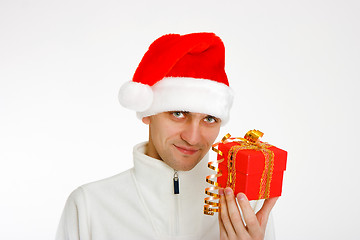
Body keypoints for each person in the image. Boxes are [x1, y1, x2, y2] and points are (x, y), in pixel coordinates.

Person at [56, 32, 278, 240]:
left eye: (209, 119)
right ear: (148, 114)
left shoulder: (245, 210)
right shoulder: (89, 206)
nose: (193, 138)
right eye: (178, 113)